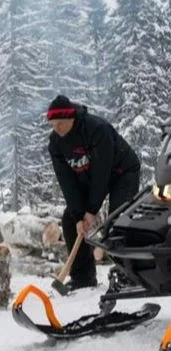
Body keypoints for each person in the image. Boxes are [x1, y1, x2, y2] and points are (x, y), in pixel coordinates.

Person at [47, 95, 141, 290]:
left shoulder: (96, 129)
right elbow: (67, 182)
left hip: (122, 172)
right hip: (88, 178)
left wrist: (91, 210)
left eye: (61, 124)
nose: (57, 129)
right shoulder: (56, 142)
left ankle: (130, 275)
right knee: (70, 221)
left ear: (71, 118)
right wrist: (78, 215)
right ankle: (83, 278)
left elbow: (102, 172)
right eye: (53, 124)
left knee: (118, 220)